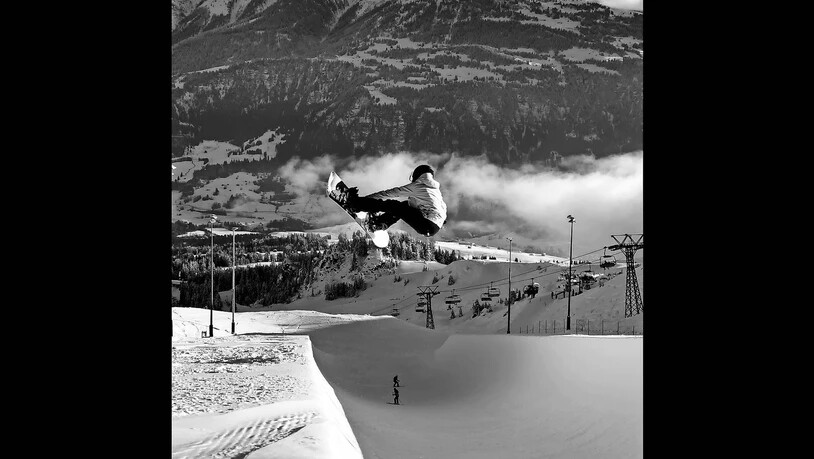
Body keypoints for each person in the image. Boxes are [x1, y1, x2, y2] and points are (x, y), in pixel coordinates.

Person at [342, 164, 448, 237]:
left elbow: (389, 193)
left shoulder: (417, 186)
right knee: (405, 206)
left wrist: (364, 200)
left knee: (394, 205)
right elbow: (443, 210)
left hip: (427, 224)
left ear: (417, 175)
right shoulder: (435, 191)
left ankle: (356, 205)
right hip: (433, 226)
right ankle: (380, 223)